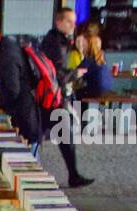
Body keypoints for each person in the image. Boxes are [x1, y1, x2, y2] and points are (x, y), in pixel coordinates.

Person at [41, 7, 94, 188]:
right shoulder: (56, 43)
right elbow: (56, 73)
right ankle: (73, 175)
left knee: (63, 136)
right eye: (69, 22)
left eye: (74, 22)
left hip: (52, 97)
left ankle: (73, 175)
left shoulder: (58, 40)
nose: (73, 25)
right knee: (61, 135)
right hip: (53, 97)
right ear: (59, 22)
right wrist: (75, 72)